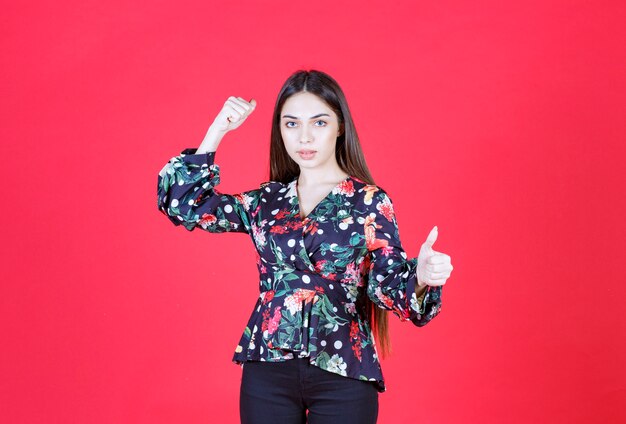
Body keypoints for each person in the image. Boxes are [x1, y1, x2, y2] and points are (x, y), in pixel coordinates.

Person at [157, 69, 453, 424]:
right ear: (280, 130)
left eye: (319, 122)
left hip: (344, 371)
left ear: (340, 126)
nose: (305, 137)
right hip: (268, 369)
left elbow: (388, 288)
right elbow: (185, 204)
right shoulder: (266, 201)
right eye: (292, 124)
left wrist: (420, 276)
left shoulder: (369, 202)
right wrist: (217, 130)